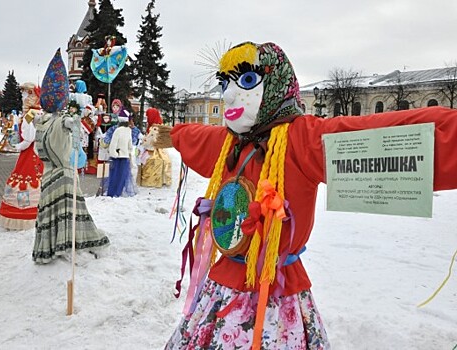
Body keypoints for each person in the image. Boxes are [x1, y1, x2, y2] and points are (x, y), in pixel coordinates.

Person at [161, 41, 457, 349]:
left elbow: (381, 133)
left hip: (275, 291)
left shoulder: (300, 138)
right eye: (225, 83)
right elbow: (195, 136)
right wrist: (168, 134)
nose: (228, 94)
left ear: (276, 84)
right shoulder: (228, 144)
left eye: (247, 81)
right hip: (222, 282)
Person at [32, 49, 109, 264]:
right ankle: (67, 246)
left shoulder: (42, 121)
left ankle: (54, 247)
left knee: (56, 212)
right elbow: (71, 128)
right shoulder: (58, 121)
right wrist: (74, 123)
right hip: (63, 175)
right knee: (68, 212)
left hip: (48, 177)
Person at [0, 82, 44, 230]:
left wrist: (17, 147)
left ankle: (25, 213)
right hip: (40, 152)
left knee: (25, 179)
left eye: (26, 94)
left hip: (30, 153)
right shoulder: (41, 112)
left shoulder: (30, 114)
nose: (23, 97)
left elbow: (29, 137)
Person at [136, 108, 172, 188]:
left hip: (153, 149)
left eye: (148, 116)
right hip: (160, 149)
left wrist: (143, 142)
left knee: (149, 160)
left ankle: (152, 180)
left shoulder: (153, 128)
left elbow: (150, 140)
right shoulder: (159, 125)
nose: (148, 118)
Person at [106, 114, 137, 197]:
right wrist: (128, 151)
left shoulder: (118, 130)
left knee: (114, 176)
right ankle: (119, 192)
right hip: (125, 156)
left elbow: (113, 144)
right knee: (122, 176)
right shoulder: (129, 130)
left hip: (117, 156)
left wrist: (114, 153)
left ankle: (112, 193)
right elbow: (130, 145)